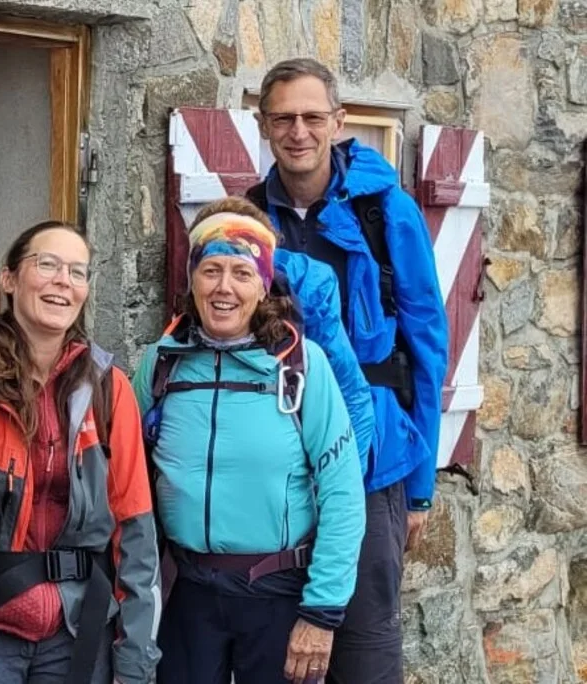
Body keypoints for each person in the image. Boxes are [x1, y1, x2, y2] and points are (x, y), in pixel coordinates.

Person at [248, 57, 449, 684]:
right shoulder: (249, 218)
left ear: (339, 122)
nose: (298, 131)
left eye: (312, 117)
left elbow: (426, 347)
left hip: (373, 462)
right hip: (278, 459)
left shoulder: (386, 213)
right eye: (283, 118)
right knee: (280, 654)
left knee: (363, 649)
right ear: (263, 125)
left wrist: (419, 487)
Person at [134, 198, 364, 684]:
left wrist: (322, 612)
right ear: (192, 279)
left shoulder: (301, 367)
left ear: (263, 286)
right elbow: (126, 476)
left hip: (278, 594)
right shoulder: (160, 364)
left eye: (242, 272)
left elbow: (343, 492)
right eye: (211, 269)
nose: (224, 287)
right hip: (186, 593)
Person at [0, 221, 161, 684]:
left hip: (80, 629)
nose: (63, 281)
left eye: (77, 272)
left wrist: (136, 657)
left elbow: (135, 531)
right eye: (47, 264)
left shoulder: (107, 389)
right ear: (9, 278)